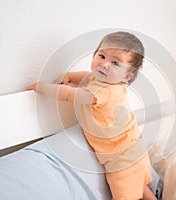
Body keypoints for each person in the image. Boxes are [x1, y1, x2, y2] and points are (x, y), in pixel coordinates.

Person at [28, 31, 156, 200]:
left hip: (123, 161)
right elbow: (87, 77)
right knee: (139, 185)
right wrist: (71, 76)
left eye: (115, 63)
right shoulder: (104, 81)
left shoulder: (104, 93)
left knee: (126, 194)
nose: (104, 64)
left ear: (127, 76)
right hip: (134, 149)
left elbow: (68, 95)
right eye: (102, 56)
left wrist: (42, 87)